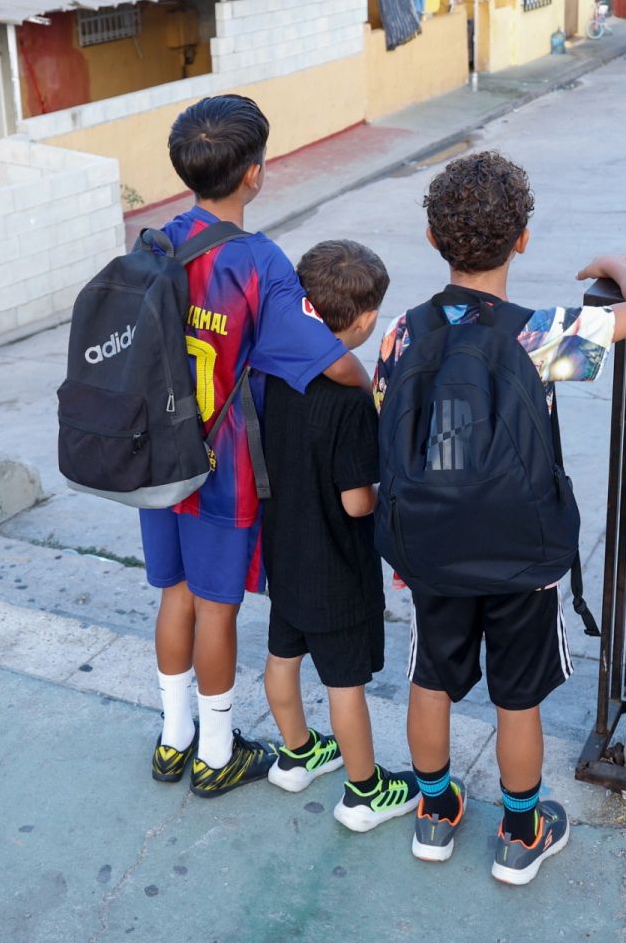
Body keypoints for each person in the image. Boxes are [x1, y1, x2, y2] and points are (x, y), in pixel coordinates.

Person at [374, 150, 626, 885]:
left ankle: (436, 813)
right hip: (517, 550)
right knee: (518, 695)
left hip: (431, 548)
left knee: (430, 675)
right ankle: (520, 829)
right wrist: (616, 265)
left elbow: (403, 427)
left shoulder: (399, 336)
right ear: (524, 240)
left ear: (433, 241)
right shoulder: (537, 334)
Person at [143, 95, 370, 798]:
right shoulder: (258, 262)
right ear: (253, 175)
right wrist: (367, 385)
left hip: (155, 457)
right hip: (221, 465)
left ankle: (173, 739)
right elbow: (326, 357)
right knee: (217, 605)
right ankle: (216, 753)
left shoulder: (154, 242)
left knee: (174, 594)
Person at [259, 239, 423, 831]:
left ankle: (297, 752)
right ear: (368, 319)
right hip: (335, 566)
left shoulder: (277, 372)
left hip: (285, 551)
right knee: (344, 681)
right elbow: (357, 502)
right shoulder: (350, 405)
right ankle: (364, 791)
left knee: (283, 654)